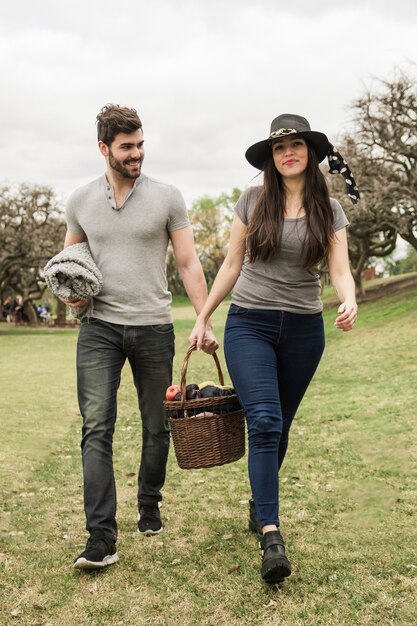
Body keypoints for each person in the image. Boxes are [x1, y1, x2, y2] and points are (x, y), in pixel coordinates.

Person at [189, 114, 358, 584]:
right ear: (271, 156)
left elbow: (340, 270)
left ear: (309, 152)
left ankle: (257, 504)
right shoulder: (253, 199)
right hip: (250, 322)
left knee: (279, 426)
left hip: (305, 329)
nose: (289, 152)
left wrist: (349, 300)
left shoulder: (330, 209)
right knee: (263, 420)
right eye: (280, 146)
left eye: (297, 144)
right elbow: (232, 263)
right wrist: (203, 317)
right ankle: (271, 533)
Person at [62, 104, 218, 570]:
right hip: (99, 329)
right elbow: (70, 263)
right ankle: (100, 538)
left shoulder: (168, 197)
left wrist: (204, 318)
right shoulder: (80, 200)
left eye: (141, 144)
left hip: (153, 325)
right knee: (96, 427)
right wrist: (72, 295)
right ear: (103, 148)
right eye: (127, 147)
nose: (137, 154)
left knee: (157, 424)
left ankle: (149, 502)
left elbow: (188, 263)